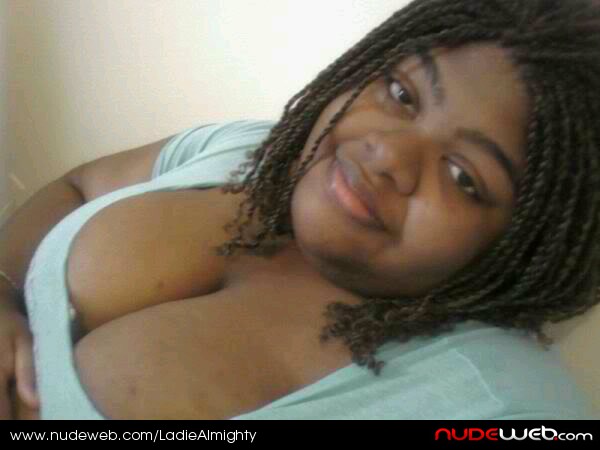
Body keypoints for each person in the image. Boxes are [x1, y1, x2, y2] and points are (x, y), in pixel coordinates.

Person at [2, 0, 600, 419]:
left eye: (462, 175)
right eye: (401, 93)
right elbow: (78, 186)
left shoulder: (499, 407)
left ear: (525, 241)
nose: (389, 155)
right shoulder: (248, 151)